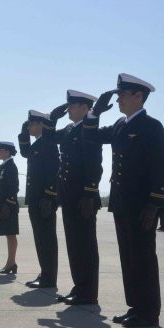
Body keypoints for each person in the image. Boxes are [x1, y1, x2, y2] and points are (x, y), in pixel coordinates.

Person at [84, 73, 164, 328]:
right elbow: (91, 137)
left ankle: (149, 312)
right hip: (122, 203)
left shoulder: (151, 126)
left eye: (123, 94)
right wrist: (94, 113)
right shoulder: (121, 126)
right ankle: (135, 307)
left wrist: (155, 202)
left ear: (138, 96)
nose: (119, 99)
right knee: (129, 256)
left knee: (143, 257)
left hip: (141, 204)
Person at [51, 92, 102, 306]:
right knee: (74, 245)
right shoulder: (71, 129)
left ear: (84, 108)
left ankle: (88, 292)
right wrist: (52, 120)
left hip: (83, 198)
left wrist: (89, 193)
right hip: (70, 195)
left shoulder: (89, 129)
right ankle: (79, 287)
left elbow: (94, 162)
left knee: (85, 245)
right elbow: (50, 139)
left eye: (72, 106)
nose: (68, 110)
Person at [18, 110, 59, 289]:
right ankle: (45, 274)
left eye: (31, 124)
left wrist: (49, 196)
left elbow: (54, 171)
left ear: (41, 124)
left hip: (44, 199)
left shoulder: (48, 143)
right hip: (36, 199)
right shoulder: (37, 144)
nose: (29, 127)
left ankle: (49, 278)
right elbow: (25, 152)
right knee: (41, 239)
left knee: (46, 239)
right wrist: (23, 134)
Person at [0, 142, 19, 274]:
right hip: (3, 206)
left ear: (8, 152)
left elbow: (14, 187)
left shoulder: (11, 167)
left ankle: (11, 263)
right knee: (8, 234)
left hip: (8, 206)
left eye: (0, 150)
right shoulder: (3, 166)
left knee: (11, 234)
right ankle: (11, 263)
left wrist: (7, 204)